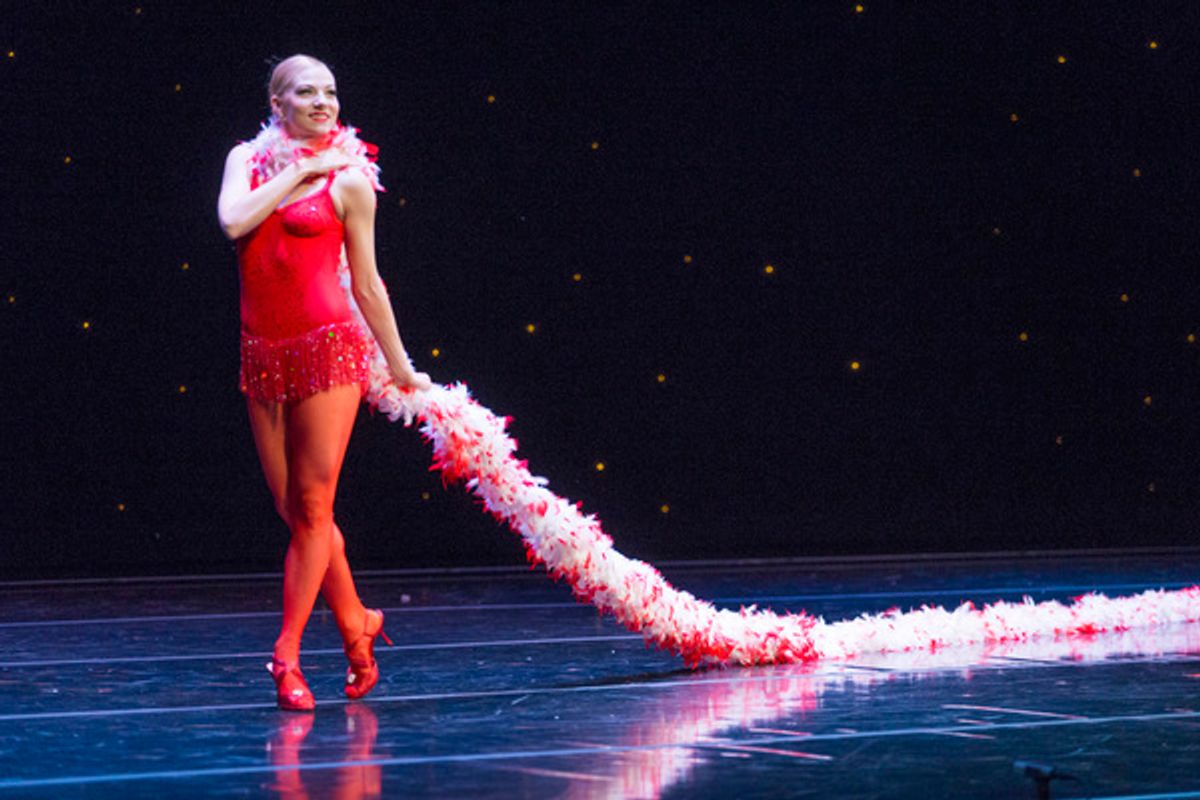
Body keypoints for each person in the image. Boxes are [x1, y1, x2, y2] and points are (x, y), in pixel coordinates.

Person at [217, 54, 430, 711]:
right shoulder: (244, 162)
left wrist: (397, 364)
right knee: (298, 511)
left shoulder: (351, 181)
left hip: (329, 352)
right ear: (276, 103)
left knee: (312, 507)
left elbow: (366, 282)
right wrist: (298, 171)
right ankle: (357, 622)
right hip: (264, 355)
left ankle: (286, 657)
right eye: (306, 92)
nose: (323, 102)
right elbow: (233, 222)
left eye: (331, 91)